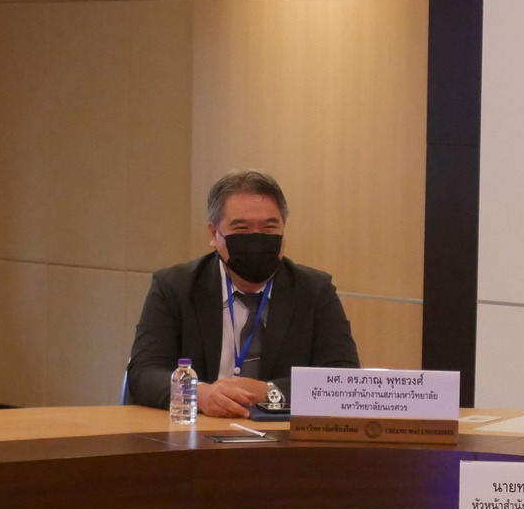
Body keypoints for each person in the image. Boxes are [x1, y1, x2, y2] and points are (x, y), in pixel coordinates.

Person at [125, 170, 359, 418]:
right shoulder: (175, 286)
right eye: (242, 228)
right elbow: (144, 373)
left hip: (280, 435)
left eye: (269, 228)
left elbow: (344, 379)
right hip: (199, 430)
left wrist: (269, 392)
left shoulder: (314, 290)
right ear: (214, 234)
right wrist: (199, 394)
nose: (256, 239)